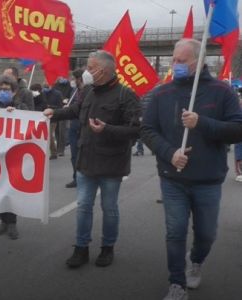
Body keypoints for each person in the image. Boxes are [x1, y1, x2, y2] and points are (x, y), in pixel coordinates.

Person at [141, 39, 242, 300]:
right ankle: (177, 283)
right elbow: (148, 130)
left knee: (207, 234)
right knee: (175, 232)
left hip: (208, 179)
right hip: (172, 178)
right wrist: (169, 153)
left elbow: (237, 130)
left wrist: (202, 122)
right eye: (174, 59)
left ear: (199, 61)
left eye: (181, 61)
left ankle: (196, 260)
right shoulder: (161, 93)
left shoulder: (222, 92)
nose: (175, 65)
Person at [44, 50, 141, 268]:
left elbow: (136, 130)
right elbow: (76, 110)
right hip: (86, 161)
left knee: (109, 208)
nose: (86, 71)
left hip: (111, 163)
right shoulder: (88, 91)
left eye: (90, 67)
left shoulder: (126, 95)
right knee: (83, 206)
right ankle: (81, 248)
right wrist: (54, 113)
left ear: (103, 70)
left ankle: (107, 248)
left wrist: (107, 129)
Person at [0, 75, 33, 240]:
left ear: (14, 92)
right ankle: (3, 221)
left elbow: (31, 120)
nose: (3, 92)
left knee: (10, 189)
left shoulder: (20, 106)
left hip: (14, 154)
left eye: (6, 90)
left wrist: (17, 113)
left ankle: (12, 223)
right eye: (0, 89)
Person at [65, 69, 85, 188]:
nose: (73, 81)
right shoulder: (75, 91)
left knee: (83, 154)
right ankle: (76, 177)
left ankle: (84, 178)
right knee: (74, 155)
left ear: (79, 79)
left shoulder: (88, 91)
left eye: (74, 78)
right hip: (74, 126)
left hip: (83, 126)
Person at [42, 82, 64, 160]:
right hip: (44, 116)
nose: (46, 88)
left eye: (47, 86)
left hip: (53, 117)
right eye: (45, 86)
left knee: (50, 135)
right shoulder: (43, 93)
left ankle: (54, 153)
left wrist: (50, 107)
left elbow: (60, 106)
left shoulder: (58, 94)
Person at [54, 76, 74, 156]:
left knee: (62, 130)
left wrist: (67, 100)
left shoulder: (69, 86)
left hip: (64, 109)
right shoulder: (55, 85)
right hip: (56, 109)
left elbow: (71, 96)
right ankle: (57, 146)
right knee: (56, 130)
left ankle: (61, 149)